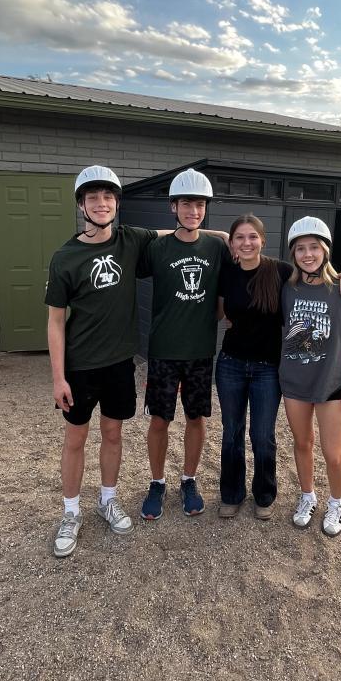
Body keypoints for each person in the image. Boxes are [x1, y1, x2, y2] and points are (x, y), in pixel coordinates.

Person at [45, 165, 159, 559]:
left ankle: (107, 500)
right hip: (79, 366)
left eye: (108, 196)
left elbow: (177, 235)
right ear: (81, 205)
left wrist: (225, 238)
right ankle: (70, 511)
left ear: (117, 203)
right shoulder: (65, 257)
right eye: (92, 197)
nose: (101, 203)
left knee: (113, 433)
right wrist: (58, 377)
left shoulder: (131, 240)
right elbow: (55, 321)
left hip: (119, 364)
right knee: (75, 438)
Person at [215, 215, 341, 520]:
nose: (246, 243)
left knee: (265, 436)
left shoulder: (281, 273)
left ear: (263, 241)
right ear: (232, 243)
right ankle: (237, 494)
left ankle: (273, 496)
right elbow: (222, 310)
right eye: (239, 237)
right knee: (235, 433)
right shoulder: (238, 274)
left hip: (276, 369)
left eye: (253, 237)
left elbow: (320, 279)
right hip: (244, 367)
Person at [140, 169, 228, 521]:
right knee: (160, 420)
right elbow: (125, 245)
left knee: (196, 418)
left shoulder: (217, 247)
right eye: (187, 204)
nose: (194, 211)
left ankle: (188, 480)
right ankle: (157, 482)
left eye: (200, 205)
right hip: (164, 349)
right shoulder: (156, 248)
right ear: (173, 206)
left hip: (200, 350)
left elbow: (250, 260)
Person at [280, 217, 341, 539]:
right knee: (302, 443)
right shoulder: (287, 289)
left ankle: (336, 502)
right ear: (293, 254)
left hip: (331, 383)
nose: (308, 254)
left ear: (325, 251)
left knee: (333, 452)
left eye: (314, 248)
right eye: (301, 249)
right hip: (294, 382)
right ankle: (307, 496)